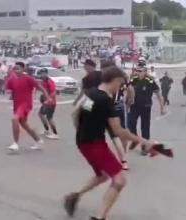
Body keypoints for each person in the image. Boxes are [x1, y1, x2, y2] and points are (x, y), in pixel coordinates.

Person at [65, 66, 161, 220]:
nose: (120, 88)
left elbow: (75, 113)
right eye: (121, 84)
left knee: (102, 175)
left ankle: (74, 196)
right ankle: (100, 216)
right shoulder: (105, 100)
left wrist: (82, 130)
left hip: (83, 142)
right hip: (95, 145)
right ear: (116, 80)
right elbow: (119, 131)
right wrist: (145, 142)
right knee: (120, 180)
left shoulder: (90, 93)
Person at [6, 62, 49, 152]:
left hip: (25, 104)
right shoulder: (11, 79)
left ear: (23, 69)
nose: (16, 70)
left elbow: (41, 88)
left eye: (18, 68)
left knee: (14, 119)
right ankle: (38, 141)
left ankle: (15, 144)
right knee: (24, 125)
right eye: (15, 69)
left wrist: (47, 97)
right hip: (17, 105)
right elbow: (10, 90)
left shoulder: (28, 79)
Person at [127, 65, 165, 155]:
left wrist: (162, 107)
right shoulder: (133, 80)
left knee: (145, 127)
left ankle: (144, 147)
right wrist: (127, 104)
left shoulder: (150, 81)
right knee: (130, 123)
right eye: (137, 70)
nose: (139, 72)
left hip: (146, 107)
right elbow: (127, 91)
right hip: (134, 106)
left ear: (145, 71)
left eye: (141, 71)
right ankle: (135, 139)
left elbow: (158, 94)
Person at [37, 68, 59, 139]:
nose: (42, 74)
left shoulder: (50, 81)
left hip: (51, 103)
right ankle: (47, 130)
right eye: (41, 73)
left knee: (49, 118)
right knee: (40, 114)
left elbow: (54, 92)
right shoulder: (43, 81)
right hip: (46, 103)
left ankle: (55, 134)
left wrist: (48, 99)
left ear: (46, 74)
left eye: (44, 73)